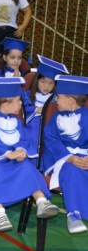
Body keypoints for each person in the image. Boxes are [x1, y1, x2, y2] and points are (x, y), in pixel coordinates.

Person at [0, 77, 58, 232]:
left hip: (14, 158)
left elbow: (25, 139)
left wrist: (22, 150)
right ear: (5, 103)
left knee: (25, 165)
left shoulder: (16, 122)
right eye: (18, 100)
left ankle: (41, 201)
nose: (21, 104)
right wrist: (6, 153)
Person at [42, 75, 88, 234]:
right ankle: (73, 214)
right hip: (62, 160)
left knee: (81, 169)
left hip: (85, 159)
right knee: (72, 170)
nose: (55, 100)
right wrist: (69, 157)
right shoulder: (55, 119)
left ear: (71, 100)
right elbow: (50, 140)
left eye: (58, 97)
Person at [23, 55, 69, 159]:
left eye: (51, 83)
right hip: (31, 126)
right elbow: (22, 111)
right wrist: (35, 110)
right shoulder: (28, 96)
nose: (46, 86)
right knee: (35, 125)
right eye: (43, 82)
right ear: (37, 81)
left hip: (50, 126)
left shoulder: (57, 99)